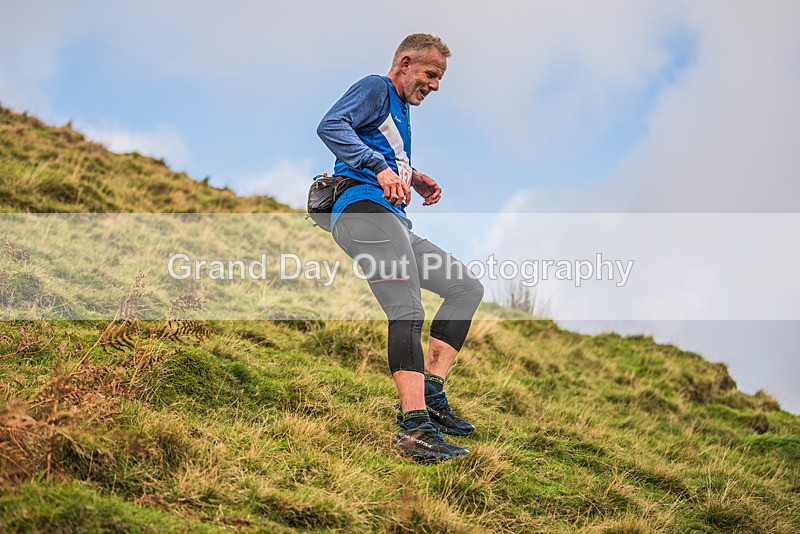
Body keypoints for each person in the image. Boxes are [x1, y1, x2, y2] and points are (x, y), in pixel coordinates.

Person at [317, 33, 484, 462]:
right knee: (407, 310)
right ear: (405, 63)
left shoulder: (402, 109)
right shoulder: (377, 87)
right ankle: (414, 430)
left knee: (465, 288)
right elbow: (331, 125)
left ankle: (430, 390)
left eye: (440, 78)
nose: (436, 85)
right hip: (363, 212)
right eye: (431, 74)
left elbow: (378, 148)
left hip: (392, 219)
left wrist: (412, 176)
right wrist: (378, 168)